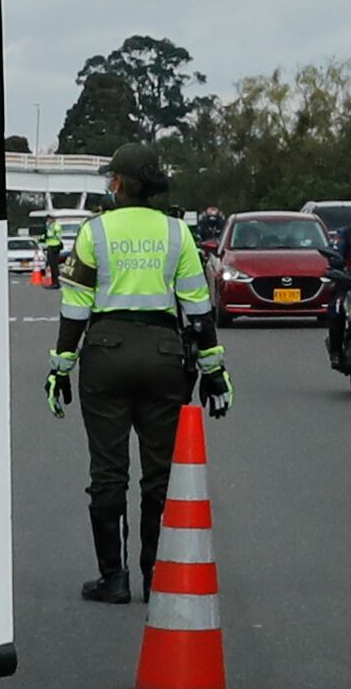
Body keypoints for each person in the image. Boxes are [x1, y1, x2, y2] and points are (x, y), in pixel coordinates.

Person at [50, 145, 223, 603]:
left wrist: (60, 368)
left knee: (108, 472)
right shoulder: (176, 233)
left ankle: (113, 578)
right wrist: (214, 369)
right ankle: (156, 576)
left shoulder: (95, 232)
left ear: (120, 184)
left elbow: (75, 308)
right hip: (166, 356)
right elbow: (198, 309)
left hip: (105, 356)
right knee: (159, 474)